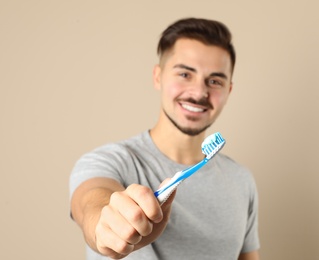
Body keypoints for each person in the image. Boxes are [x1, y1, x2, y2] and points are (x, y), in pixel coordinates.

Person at [69, 17, 260, 260]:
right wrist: (107, 228)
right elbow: (91, 203)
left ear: (228, 90)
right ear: (158, 76)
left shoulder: (242, 180)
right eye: (184, 74)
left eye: (214, 81)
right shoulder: (109, 161)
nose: (199, 92)